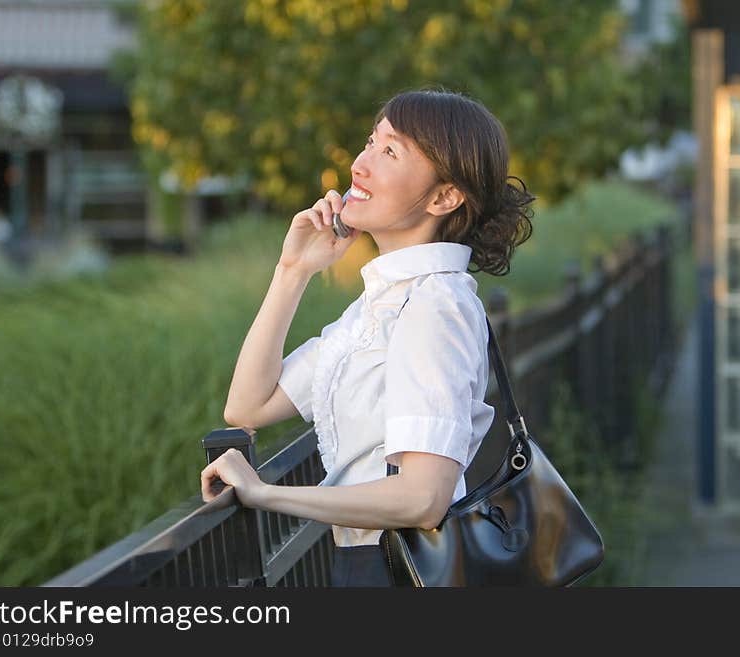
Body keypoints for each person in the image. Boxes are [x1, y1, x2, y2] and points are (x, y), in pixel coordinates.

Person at [200, 88, 535, 586]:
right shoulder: (382, 305)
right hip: (372, 565)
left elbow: (423, 498)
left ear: (444, 197)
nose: (360, 164)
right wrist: (293, 270)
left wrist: (266, 494)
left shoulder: (433, 306)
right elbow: (247, 408)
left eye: (390, 151)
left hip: (399, 570)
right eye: (370, 142)